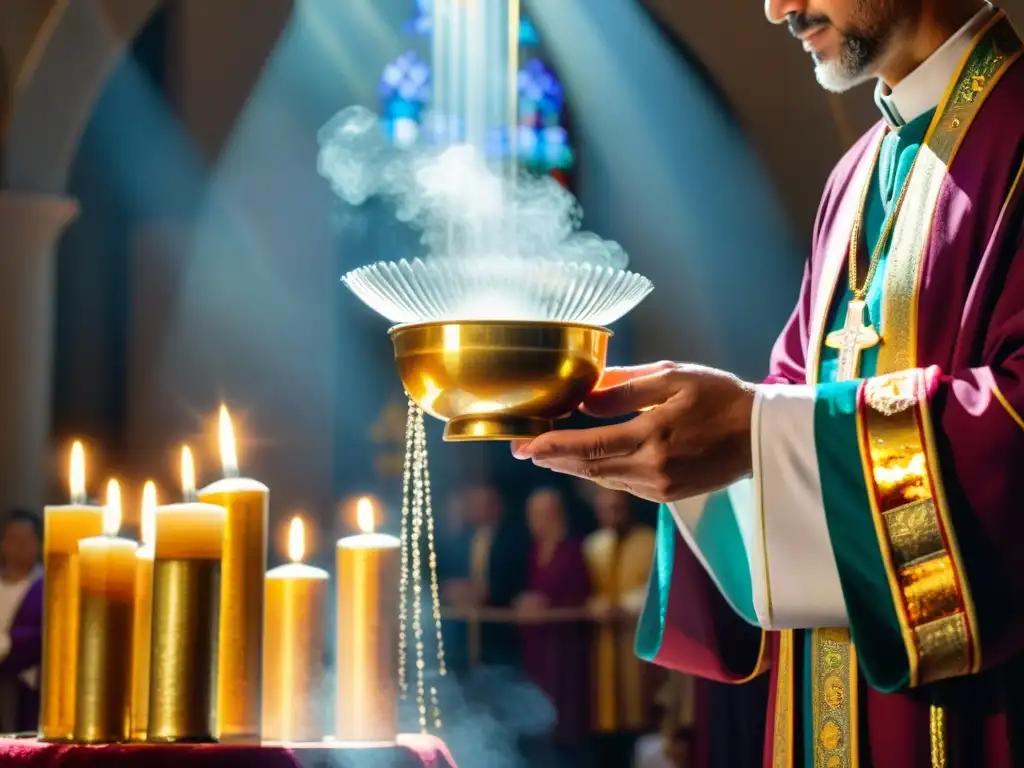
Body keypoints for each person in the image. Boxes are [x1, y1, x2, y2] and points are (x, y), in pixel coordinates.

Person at [513, 1, 1024, 765]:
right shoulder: (855, 177)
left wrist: (758, 433)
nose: (778, 7)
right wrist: (691, 449)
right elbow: (782, 403)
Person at [582, 486, 658, 767]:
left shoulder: (649, 541)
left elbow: (656, 588)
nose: (612, 515)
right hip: (602, 645)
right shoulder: (592, 545)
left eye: (617, 508)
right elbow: (584, 590)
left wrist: (623, 606)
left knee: (640, 716)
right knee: (605, 720)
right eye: (605, 509)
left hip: (637, 641)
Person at [516, 488, 592, 767]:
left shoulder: (572, 550)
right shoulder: (534, 551)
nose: (536, 521)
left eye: (542, 515)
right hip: (538, 645)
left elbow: (580, 594)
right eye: (532, 515)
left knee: (566, 713)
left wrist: (548, 608)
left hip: (565, 646)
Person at [0, 510, 43, 733]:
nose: (18, 546)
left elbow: (41, 636)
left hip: (21, 689)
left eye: (26, 539)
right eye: (12, 539)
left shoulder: (46, 587)